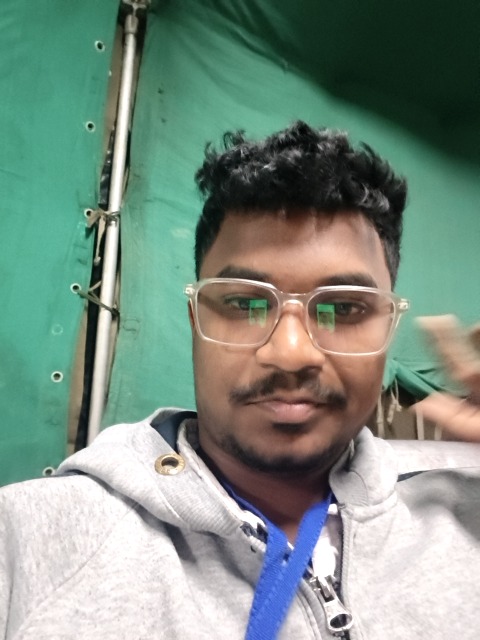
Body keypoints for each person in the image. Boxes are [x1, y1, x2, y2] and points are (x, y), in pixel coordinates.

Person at [1, 121, 480, 640]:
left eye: (342, 308)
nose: (290, 354)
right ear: (196, 321)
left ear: (388, 328)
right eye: (246, 304)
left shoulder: (463, 507)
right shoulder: (29, 543)